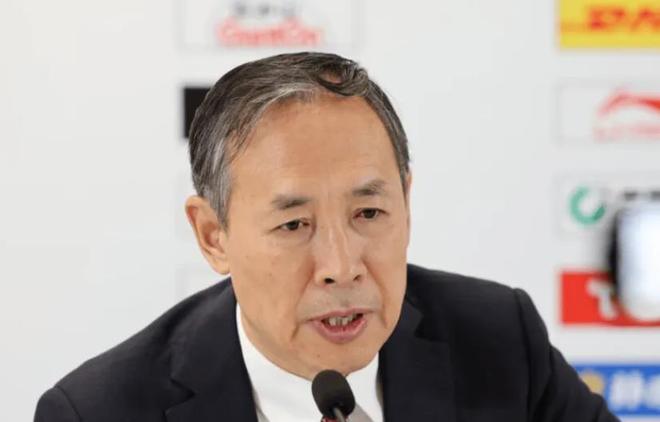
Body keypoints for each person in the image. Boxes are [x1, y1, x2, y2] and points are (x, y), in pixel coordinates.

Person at [34, 52, 619, 422]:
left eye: (369, 212)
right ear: (213, 236)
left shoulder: (501, 341)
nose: (342, 266)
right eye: (294, 225)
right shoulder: (99, 411)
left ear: (406, 203)